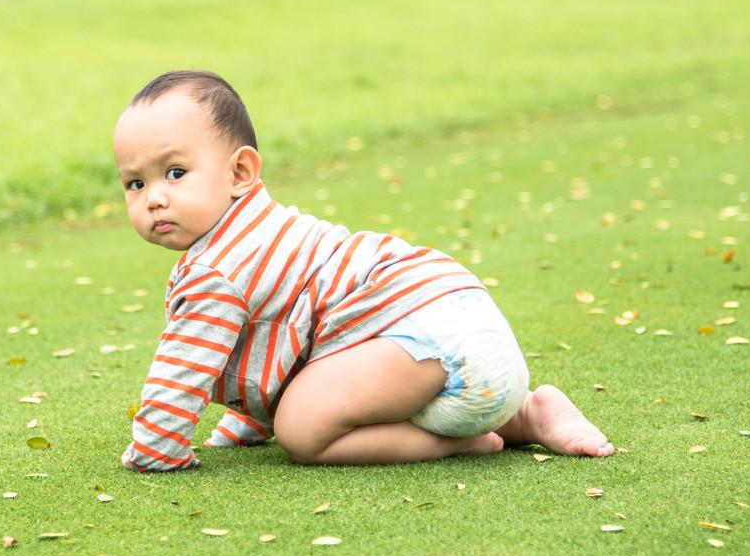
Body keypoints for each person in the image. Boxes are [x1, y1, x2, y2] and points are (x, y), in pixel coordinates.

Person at [113, 69, 614, 472]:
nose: (155, 197)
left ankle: (450, 443)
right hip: (455, 321)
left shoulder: (216, 269)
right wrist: (247, 423)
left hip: (431, 341)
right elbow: (285, 342)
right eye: (135, 184)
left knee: (304, 429)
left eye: (175, 173)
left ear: (240, 172)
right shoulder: (268, 229)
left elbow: (186, 366)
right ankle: (527, 413)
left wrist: (158, 446)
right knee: (320, 392)